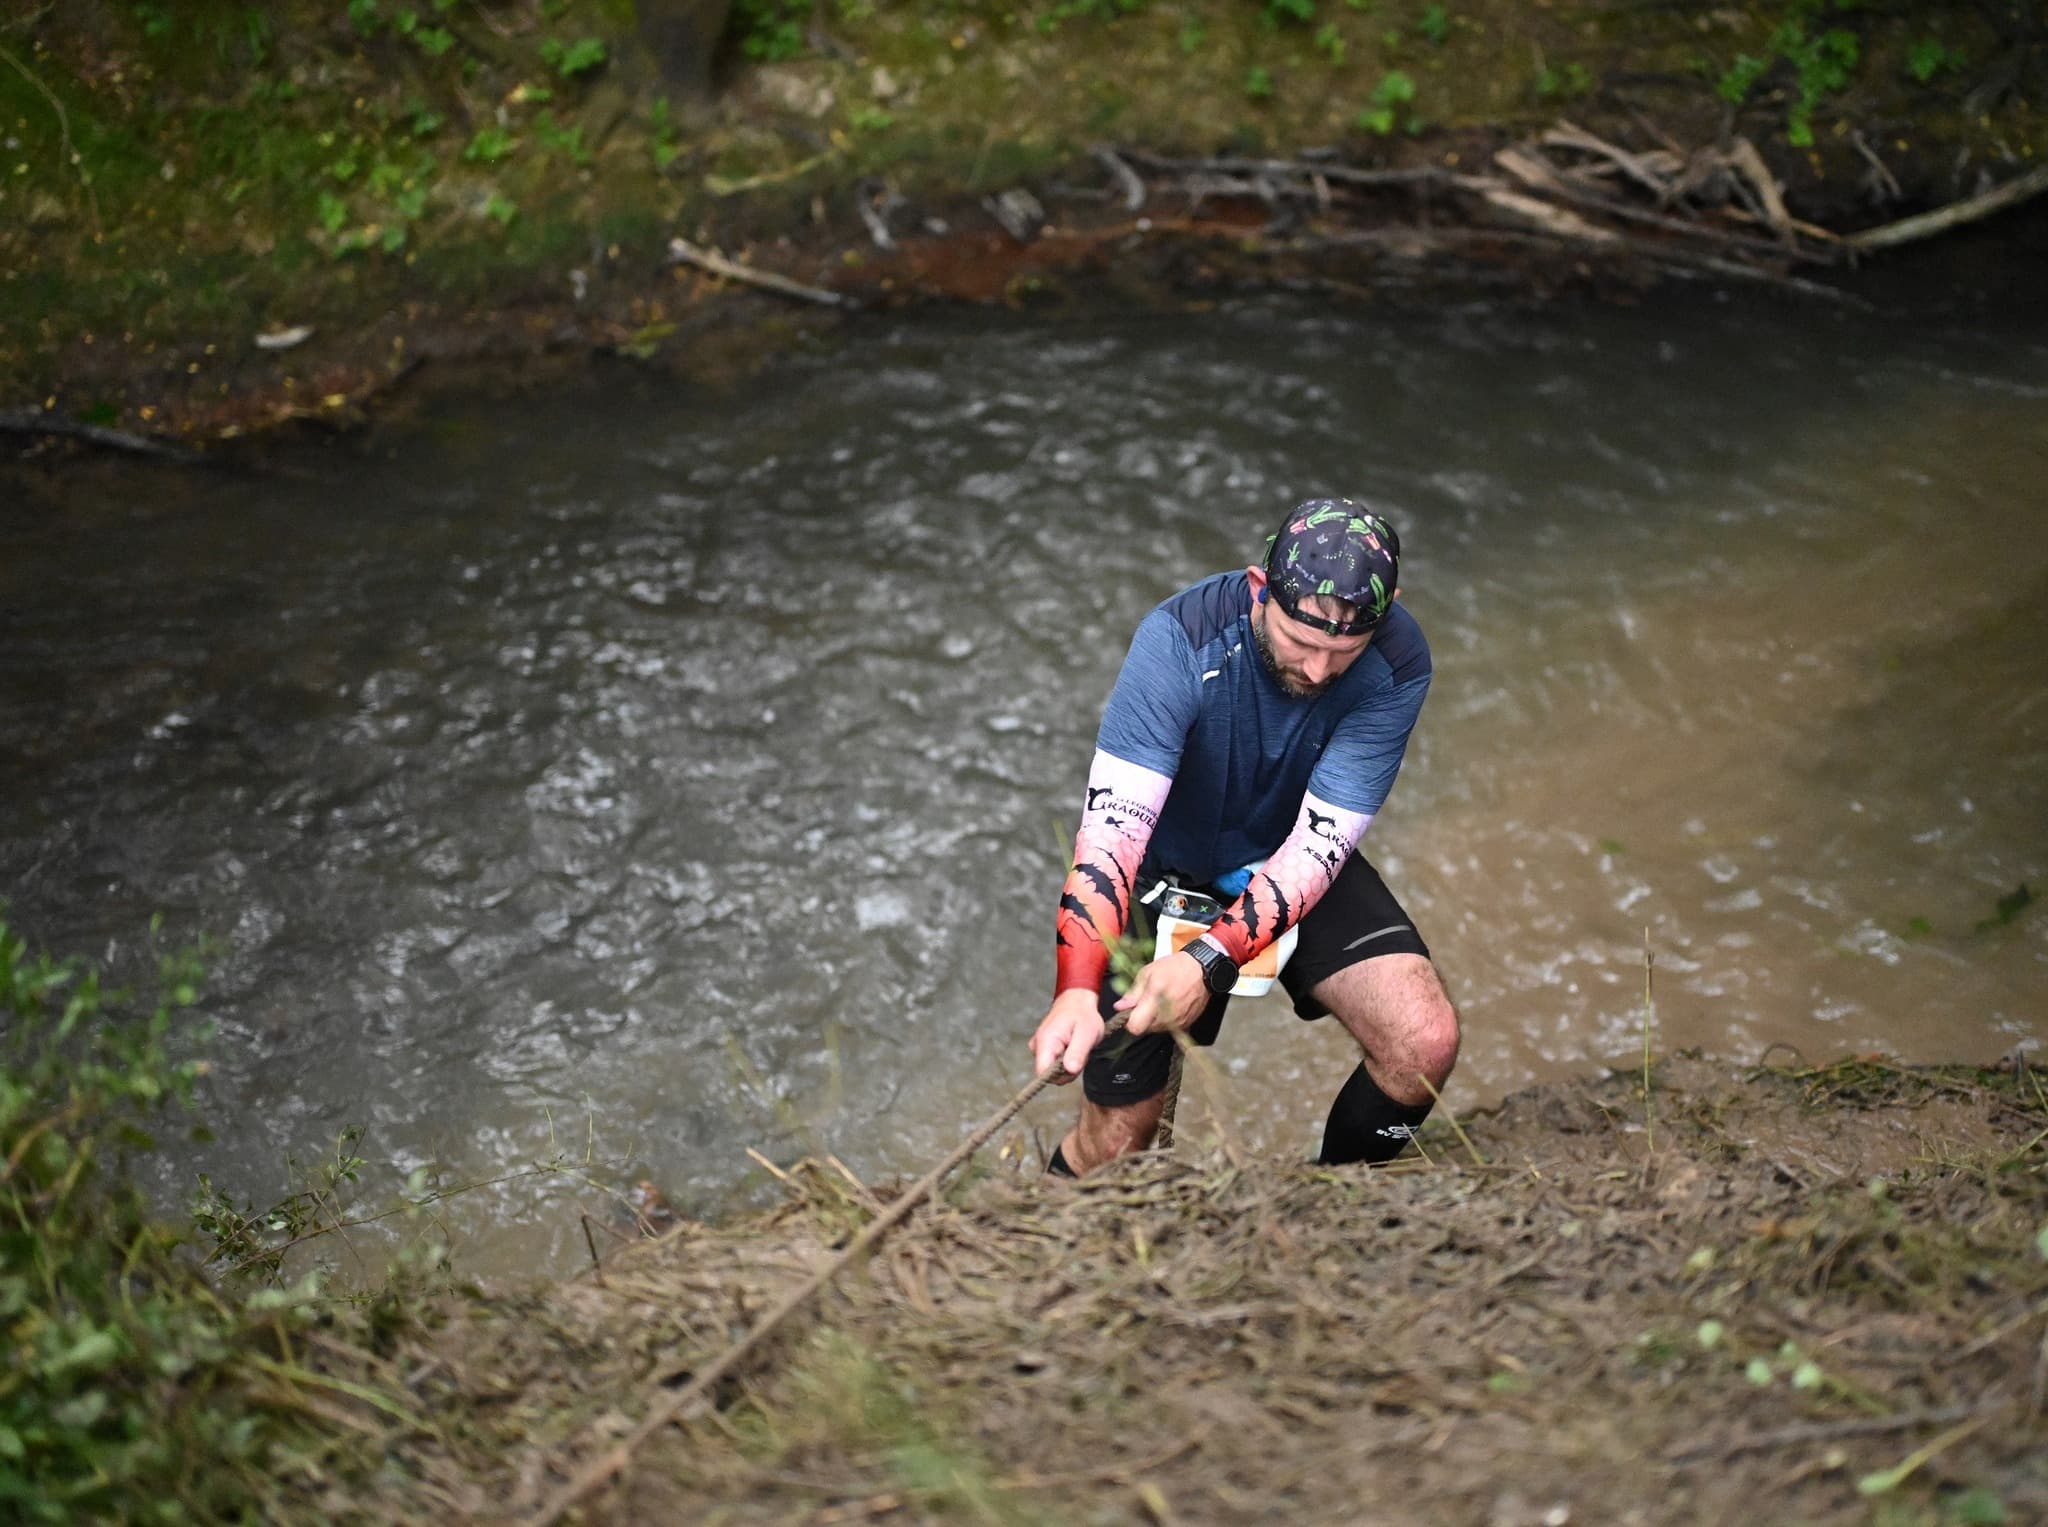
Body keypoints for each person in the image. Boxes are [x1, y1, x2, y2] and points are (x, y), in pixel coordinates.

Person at [1028, 498, 1458, 1177]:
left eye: (1342, 651)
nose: (1318, 671)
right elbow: (1111, 839)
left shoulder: (1398, 663)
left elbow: (1320, 846)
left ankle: (1342, 1196)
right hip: (1156, 865)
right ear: (1261, 590)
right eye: (1301, 643)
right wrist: (1075, 988)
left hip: (1289, 851)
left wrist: (1208, 960)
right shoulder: (1177, 641)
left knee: (1423, 1044)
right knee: (1118, 1143)